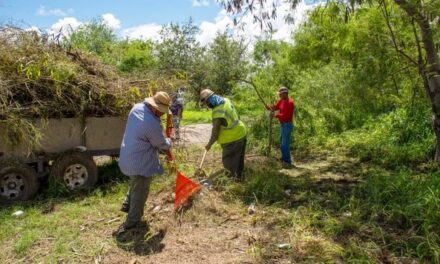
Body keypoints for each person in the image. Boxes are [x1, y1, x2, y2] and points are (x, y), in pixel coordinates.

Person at [116, 91, 172, 234]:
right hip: (140, 163)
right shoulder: (150, 122)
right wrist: (170, 141)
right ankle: (132, 223)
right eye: (161, 112)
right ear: (154, 107)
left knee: (135, 183)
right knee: (140, 190)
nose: (162, 115)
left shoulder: (137, 107)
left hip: (128, 157)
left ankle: (127, 204)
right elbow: (162, 144)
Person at [200, 89, 247, 180]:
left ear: (210, 99)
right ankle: (239, 178)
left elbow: (215, 133)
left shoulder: (217, 112)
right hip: (241, 132)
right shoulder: (226, 100)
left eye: (207, 103)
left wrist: (209, 144)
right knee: (239, 159)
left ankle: (231, 182)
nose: (208, 106)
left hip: (232, 139)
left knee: (228, 162)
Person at [266, 86, 295, 168]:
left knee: (285, 144)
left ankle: (287, 161)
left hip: (287, 124)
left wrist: (275, 115)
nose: (279, 96)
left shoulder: (290, 103)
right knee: (282, 142)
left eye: (281, 94)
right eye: (279, 94)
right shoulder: (281, 100)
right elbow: (275, 107)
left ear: (285, 93)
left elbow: (286, 116)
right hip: (283, 124)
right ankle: (284, 158)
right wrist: (269, 107)